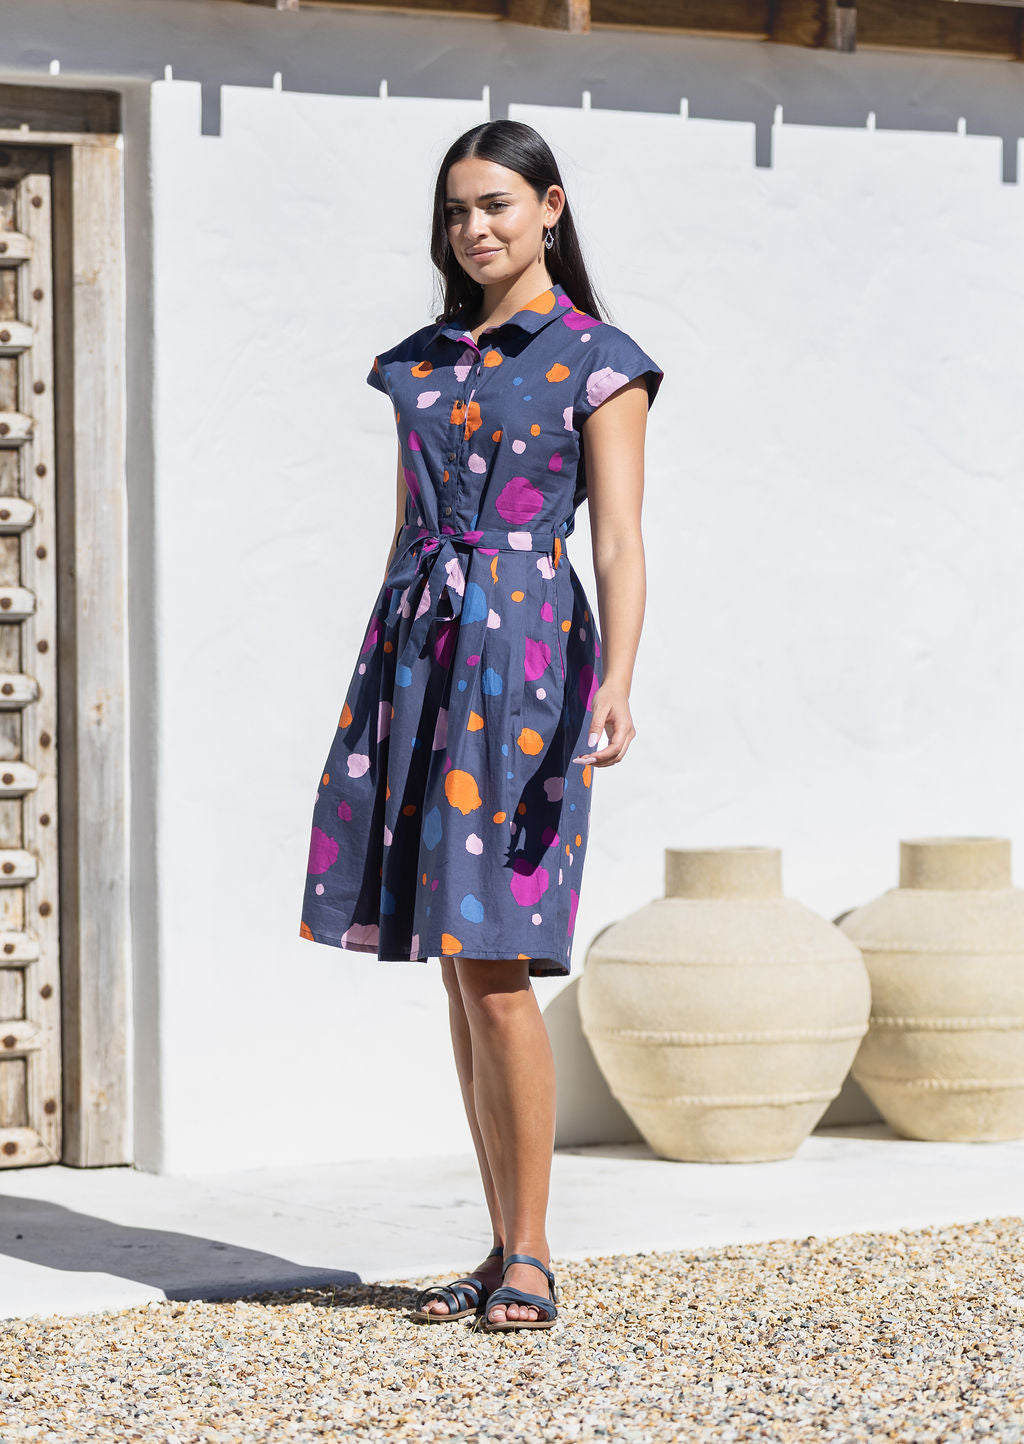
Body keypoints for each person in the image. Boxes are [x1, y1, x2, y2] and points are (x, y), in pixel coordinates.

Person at [299, 119, 663, 1332]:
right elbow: (406, 531)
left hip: (524, 663)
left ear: (550, 208)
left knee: (498, 958)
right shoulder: (415, 364)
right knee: (459, 970)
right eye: (457, 211)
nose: (475, 229)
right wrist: (383, 681)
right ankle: (500, 1239)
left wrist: (614, 676)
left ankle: (535, 1253)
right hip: (421, 654)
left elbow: (615, 536)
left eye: (498, 205)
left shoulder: (598, 360)